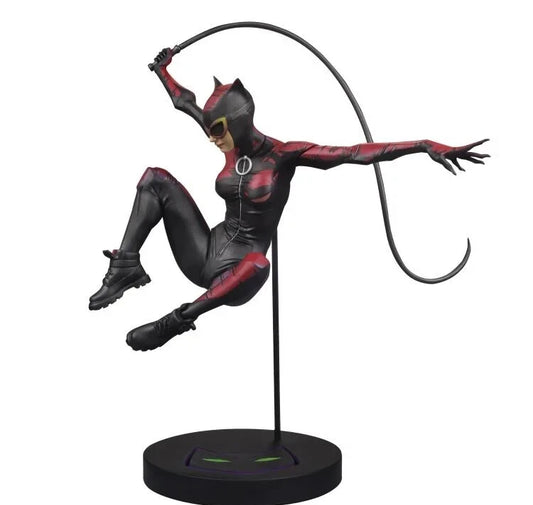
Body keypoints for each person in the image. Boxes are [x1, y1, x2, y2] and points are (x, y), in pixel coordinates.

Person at [89, 48, 489, 351]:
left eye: (218, 130)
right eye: (210, 131)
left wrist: (423, 144)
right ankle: (126, 267)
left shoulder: (283, 156)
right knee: (155, 179)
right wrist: (163, 70)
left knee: (259, 263)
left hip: (236, 276)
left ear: (240, 121)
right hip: (203, 251)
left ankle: (176, 321)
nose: (212, 138)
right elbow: (185, 103)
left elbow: (354, 153)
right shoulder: (228, 145)